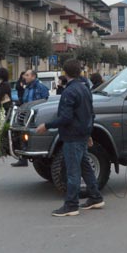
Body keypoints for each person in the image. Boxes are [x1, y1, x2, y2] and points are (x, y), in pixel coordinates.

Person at [36, 59, 103, 216]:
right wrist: (89, 134)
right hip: (82, 134)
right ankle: (95, 197)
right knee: (86, 167)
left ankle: (71, 205)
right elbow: (90, 114)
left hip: (72, 136)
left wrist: (46, 125)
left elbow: (66, 118)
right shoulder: (85, 89)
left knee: (73, 171)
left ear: (65, 73)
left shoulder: (69, 91)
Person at [11, 69, 50, 168]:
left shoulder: (40, 87)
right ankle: (23, 158)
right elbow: (25, 101)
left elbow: (46, 101)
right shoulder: (27, 88)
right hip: (26, 116)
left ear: (33, 77)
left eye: (27, 75)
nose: (25, 77)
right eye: (25, 75)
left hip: (36, 116)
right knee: (22, 135)